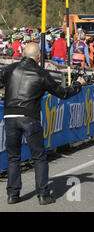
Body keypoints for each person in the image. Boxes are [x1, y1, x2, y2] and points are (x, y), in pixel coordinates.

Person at [0, 42, 85, 205]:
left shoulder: (9, 70)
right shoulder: (41, 73)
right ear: (38, 57)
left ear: (22, 54)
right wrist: (78, 85)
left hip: (10, 116)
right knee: (39, 157)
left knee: (13, 158)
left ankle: (13, 195)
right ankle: (43, 195)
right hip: (30, 117)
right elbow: (63, 93)